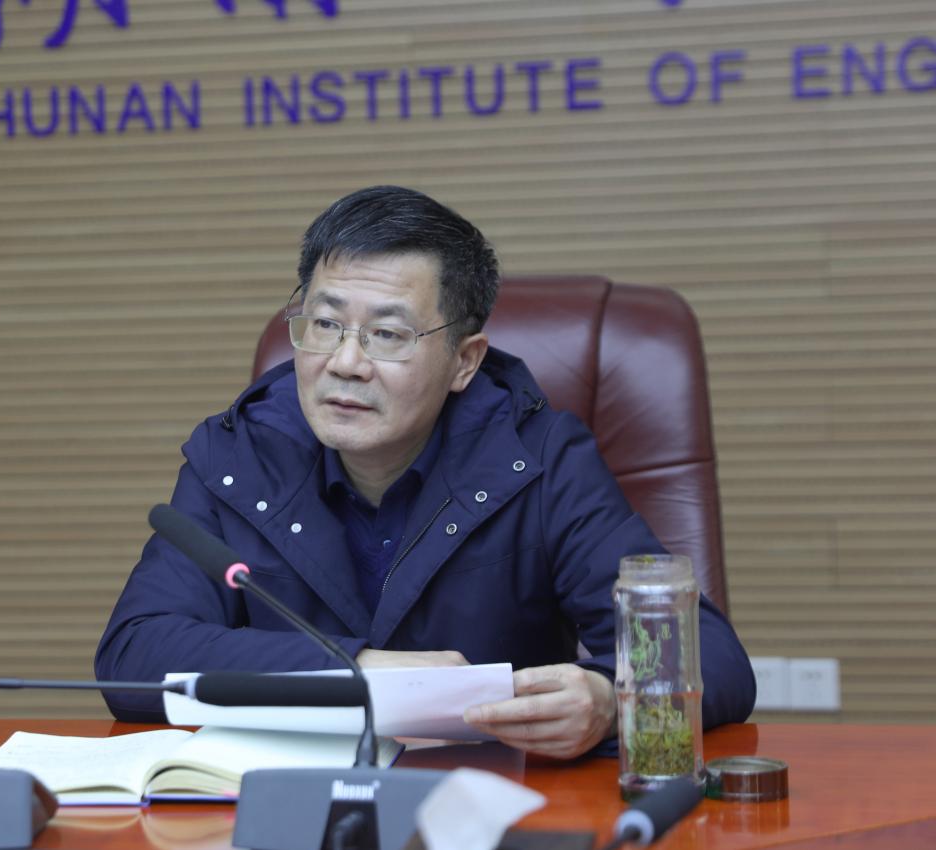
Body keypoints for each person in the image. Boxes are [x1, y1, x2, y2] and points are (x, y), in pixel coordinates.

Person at [95, 185, 755, 758]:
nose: (345, 363)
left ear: (465, 361)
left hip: (490, 804)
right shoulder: (240, 456)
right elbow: (135, 656)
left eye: (387, 335)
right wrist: (355, 668)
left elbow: (713, 658)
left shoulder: (537, 459)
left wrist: (612, 701)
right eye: (324, 324)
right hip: (291, 802)